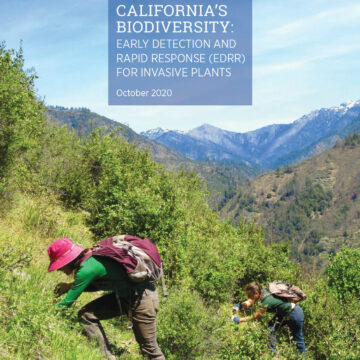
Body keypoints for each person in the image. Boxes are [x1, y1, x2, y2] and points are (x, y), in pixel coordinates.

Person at [48, 237, 165, 360]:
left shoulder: (87, 269)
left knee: (150, 349)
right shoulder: (90, 260)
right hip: (125, 297)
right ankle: (106, 356)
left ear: (68, 261)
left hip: (143, 298)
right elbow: (98, 285)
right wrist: (69, 286)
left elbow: (67, 302)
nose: (59, 269)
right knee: (86, 315)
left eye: (59, 265)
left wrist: (46, 314)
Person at [232, 282, 306, 356]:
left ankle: (303, 357)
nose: (248, 297)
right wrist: (240, 305)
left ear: (256, 293)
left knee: (298, 340)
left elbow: (255, 316)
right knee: (270, 330)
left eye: (249, 295)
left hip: (295, 314)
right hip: (284, 313)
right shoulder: (264, 290)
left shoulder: (266, 302)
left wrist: (239, 320)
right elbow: (251, 300)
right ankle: (275, 355)